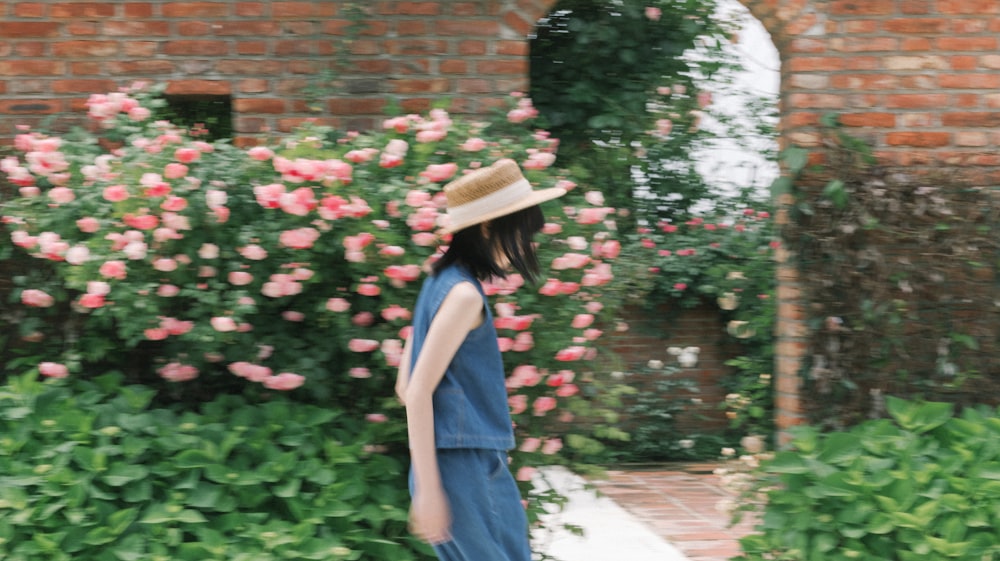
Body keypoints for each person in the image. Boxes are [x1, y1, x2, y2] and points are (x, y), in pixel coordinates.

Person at [395, 158, 566, 561]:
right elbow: (417, 392)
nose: (528, 245)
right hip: (466, 468)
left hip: (449, 467)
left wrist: (427, 481)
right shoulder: (465, 295)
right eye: (523, 232)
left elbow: (406, 385)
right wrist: (433, 488)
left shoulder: (439, 281)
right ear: (489, 227)